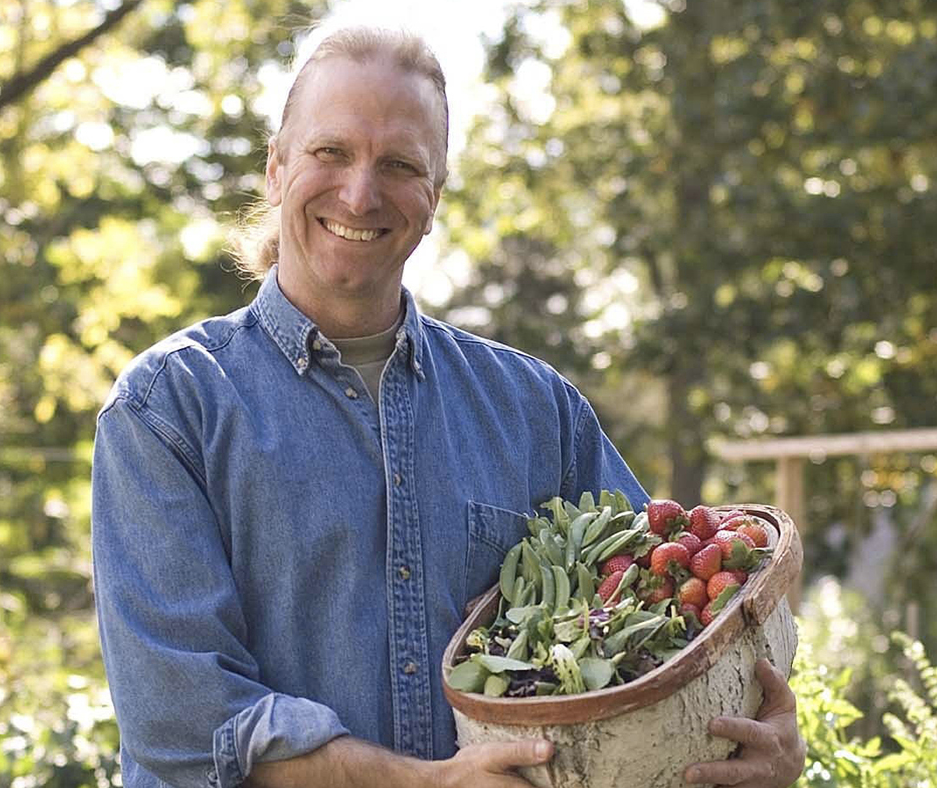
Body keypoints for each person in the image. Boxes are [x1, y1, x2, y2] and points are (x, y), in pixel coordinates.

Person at [91, 25, 805, 788]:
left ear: (432, 200)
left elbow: (667, 629)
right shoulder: (167, 409)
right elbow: (185, 726)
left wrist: (774, 738)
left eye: (398, 165)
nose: (360, 193)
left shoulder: (536, 413)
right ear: (276, 168)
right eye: (330, 152)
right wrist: (428, 782)